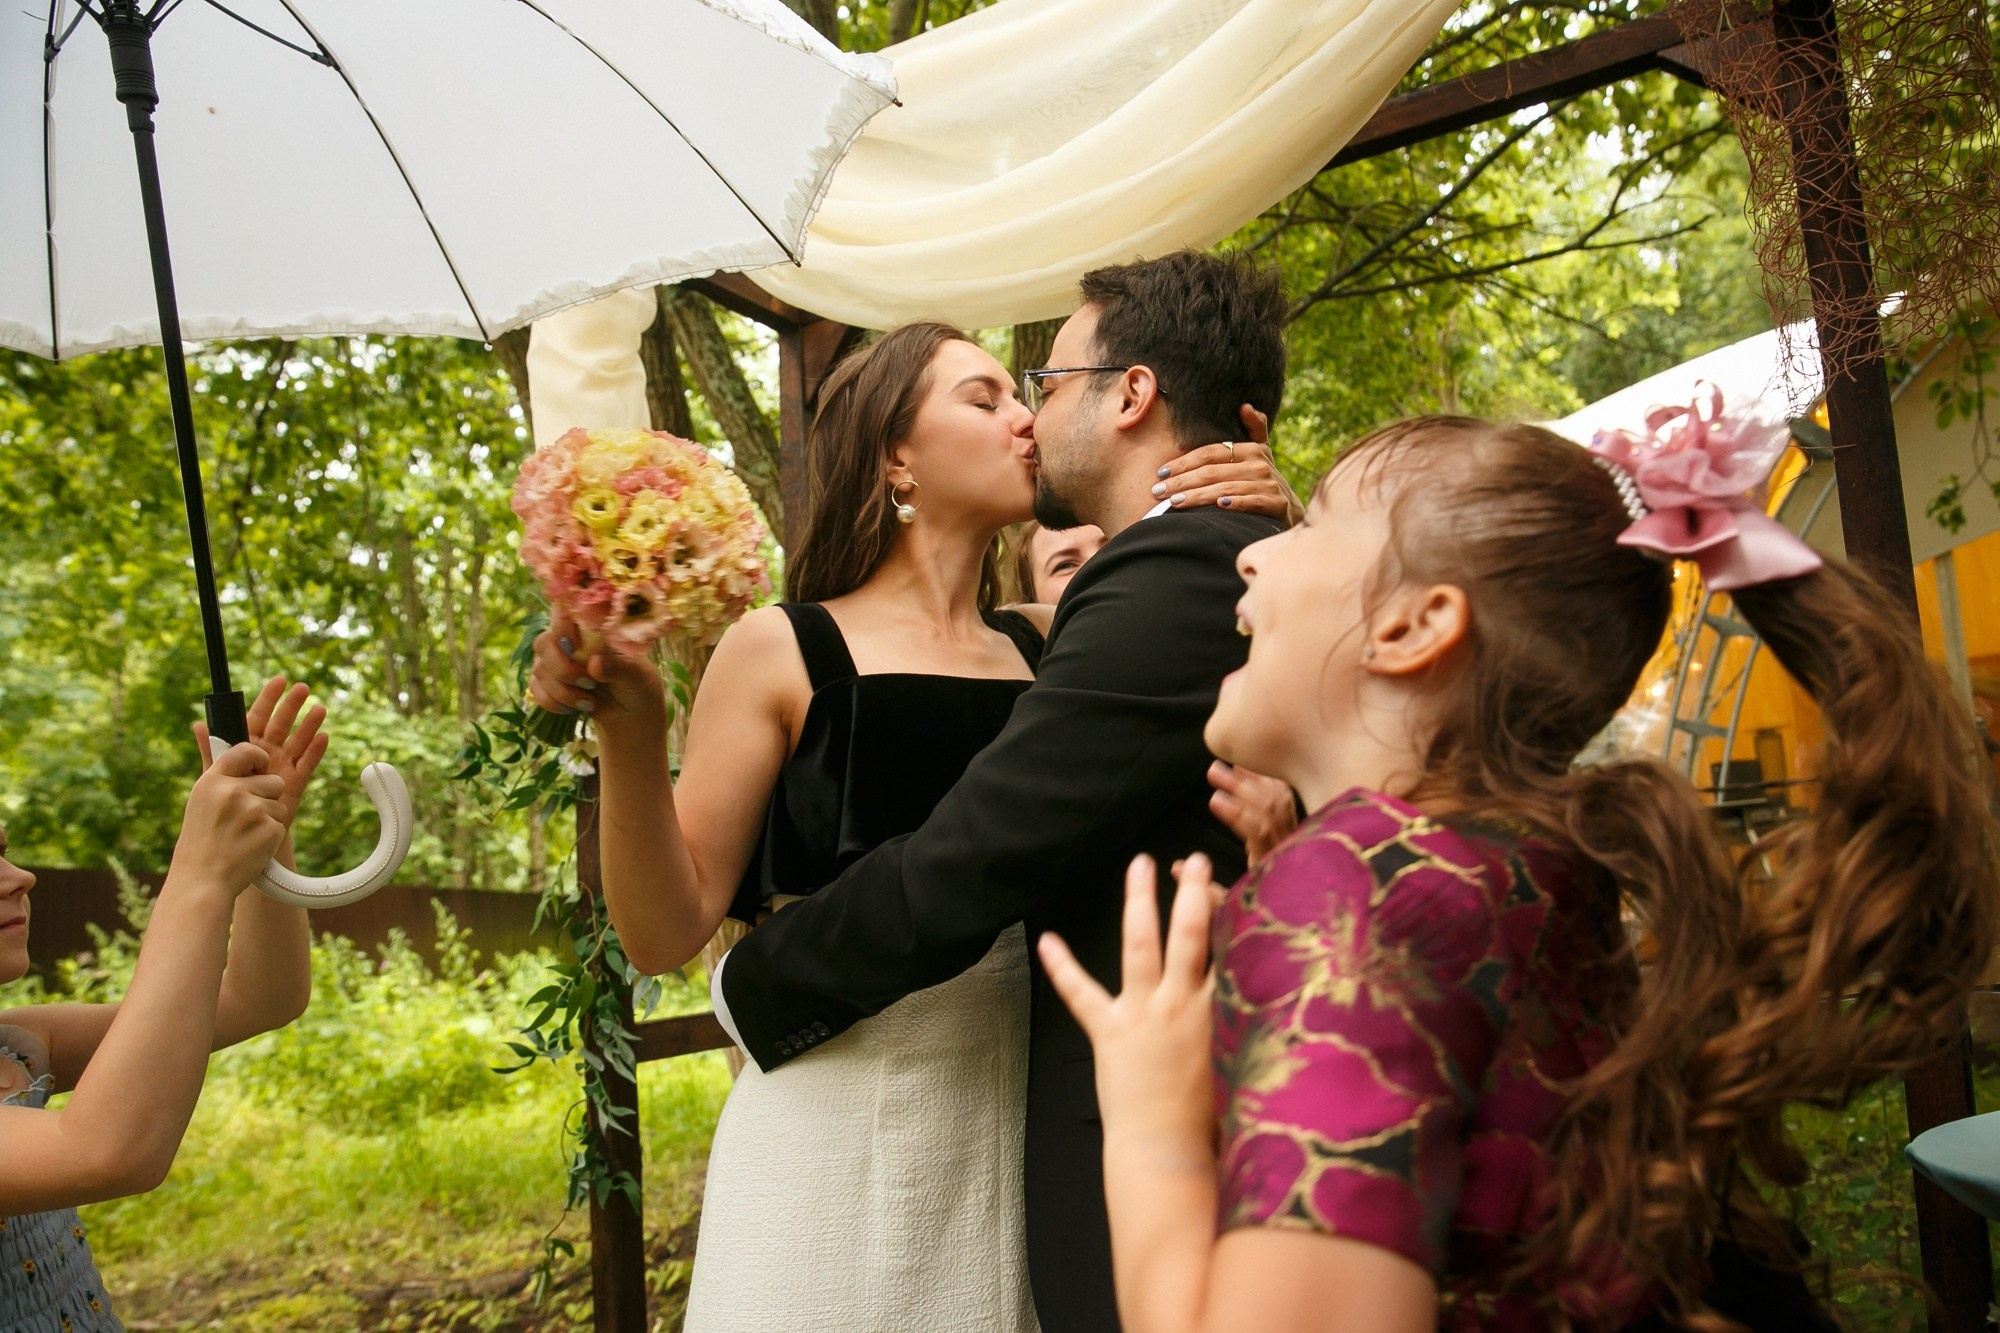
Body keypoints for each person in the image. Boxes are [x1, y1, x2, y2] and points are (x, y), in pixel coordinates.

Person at [1039, 415, 2000, 1331]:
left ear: (1413, 628)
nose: (1252, 550)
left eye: (1315, 518)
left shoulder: (1360, 892)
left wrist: (1152, 1117)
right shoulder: (1529, 864)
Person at [525, 315, 1294, 1331]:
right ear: (896, 452)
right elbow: (661, 933)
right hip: (829, 1110)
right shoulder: (777, 647)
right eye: (983, 399)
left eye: (1021, 397)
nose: (1025, 421)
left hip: (1011, 1126)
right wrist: (630, 734)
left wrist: (1279, 519)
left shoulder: (1056, 649)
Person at [0, 678, 325, 1333]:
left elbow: (258, 995)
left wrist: (265, 839)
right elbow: (106, 1150)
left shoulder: (17, 1043)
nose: (20, 877)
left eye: (2, 852)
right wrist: (199, 874)